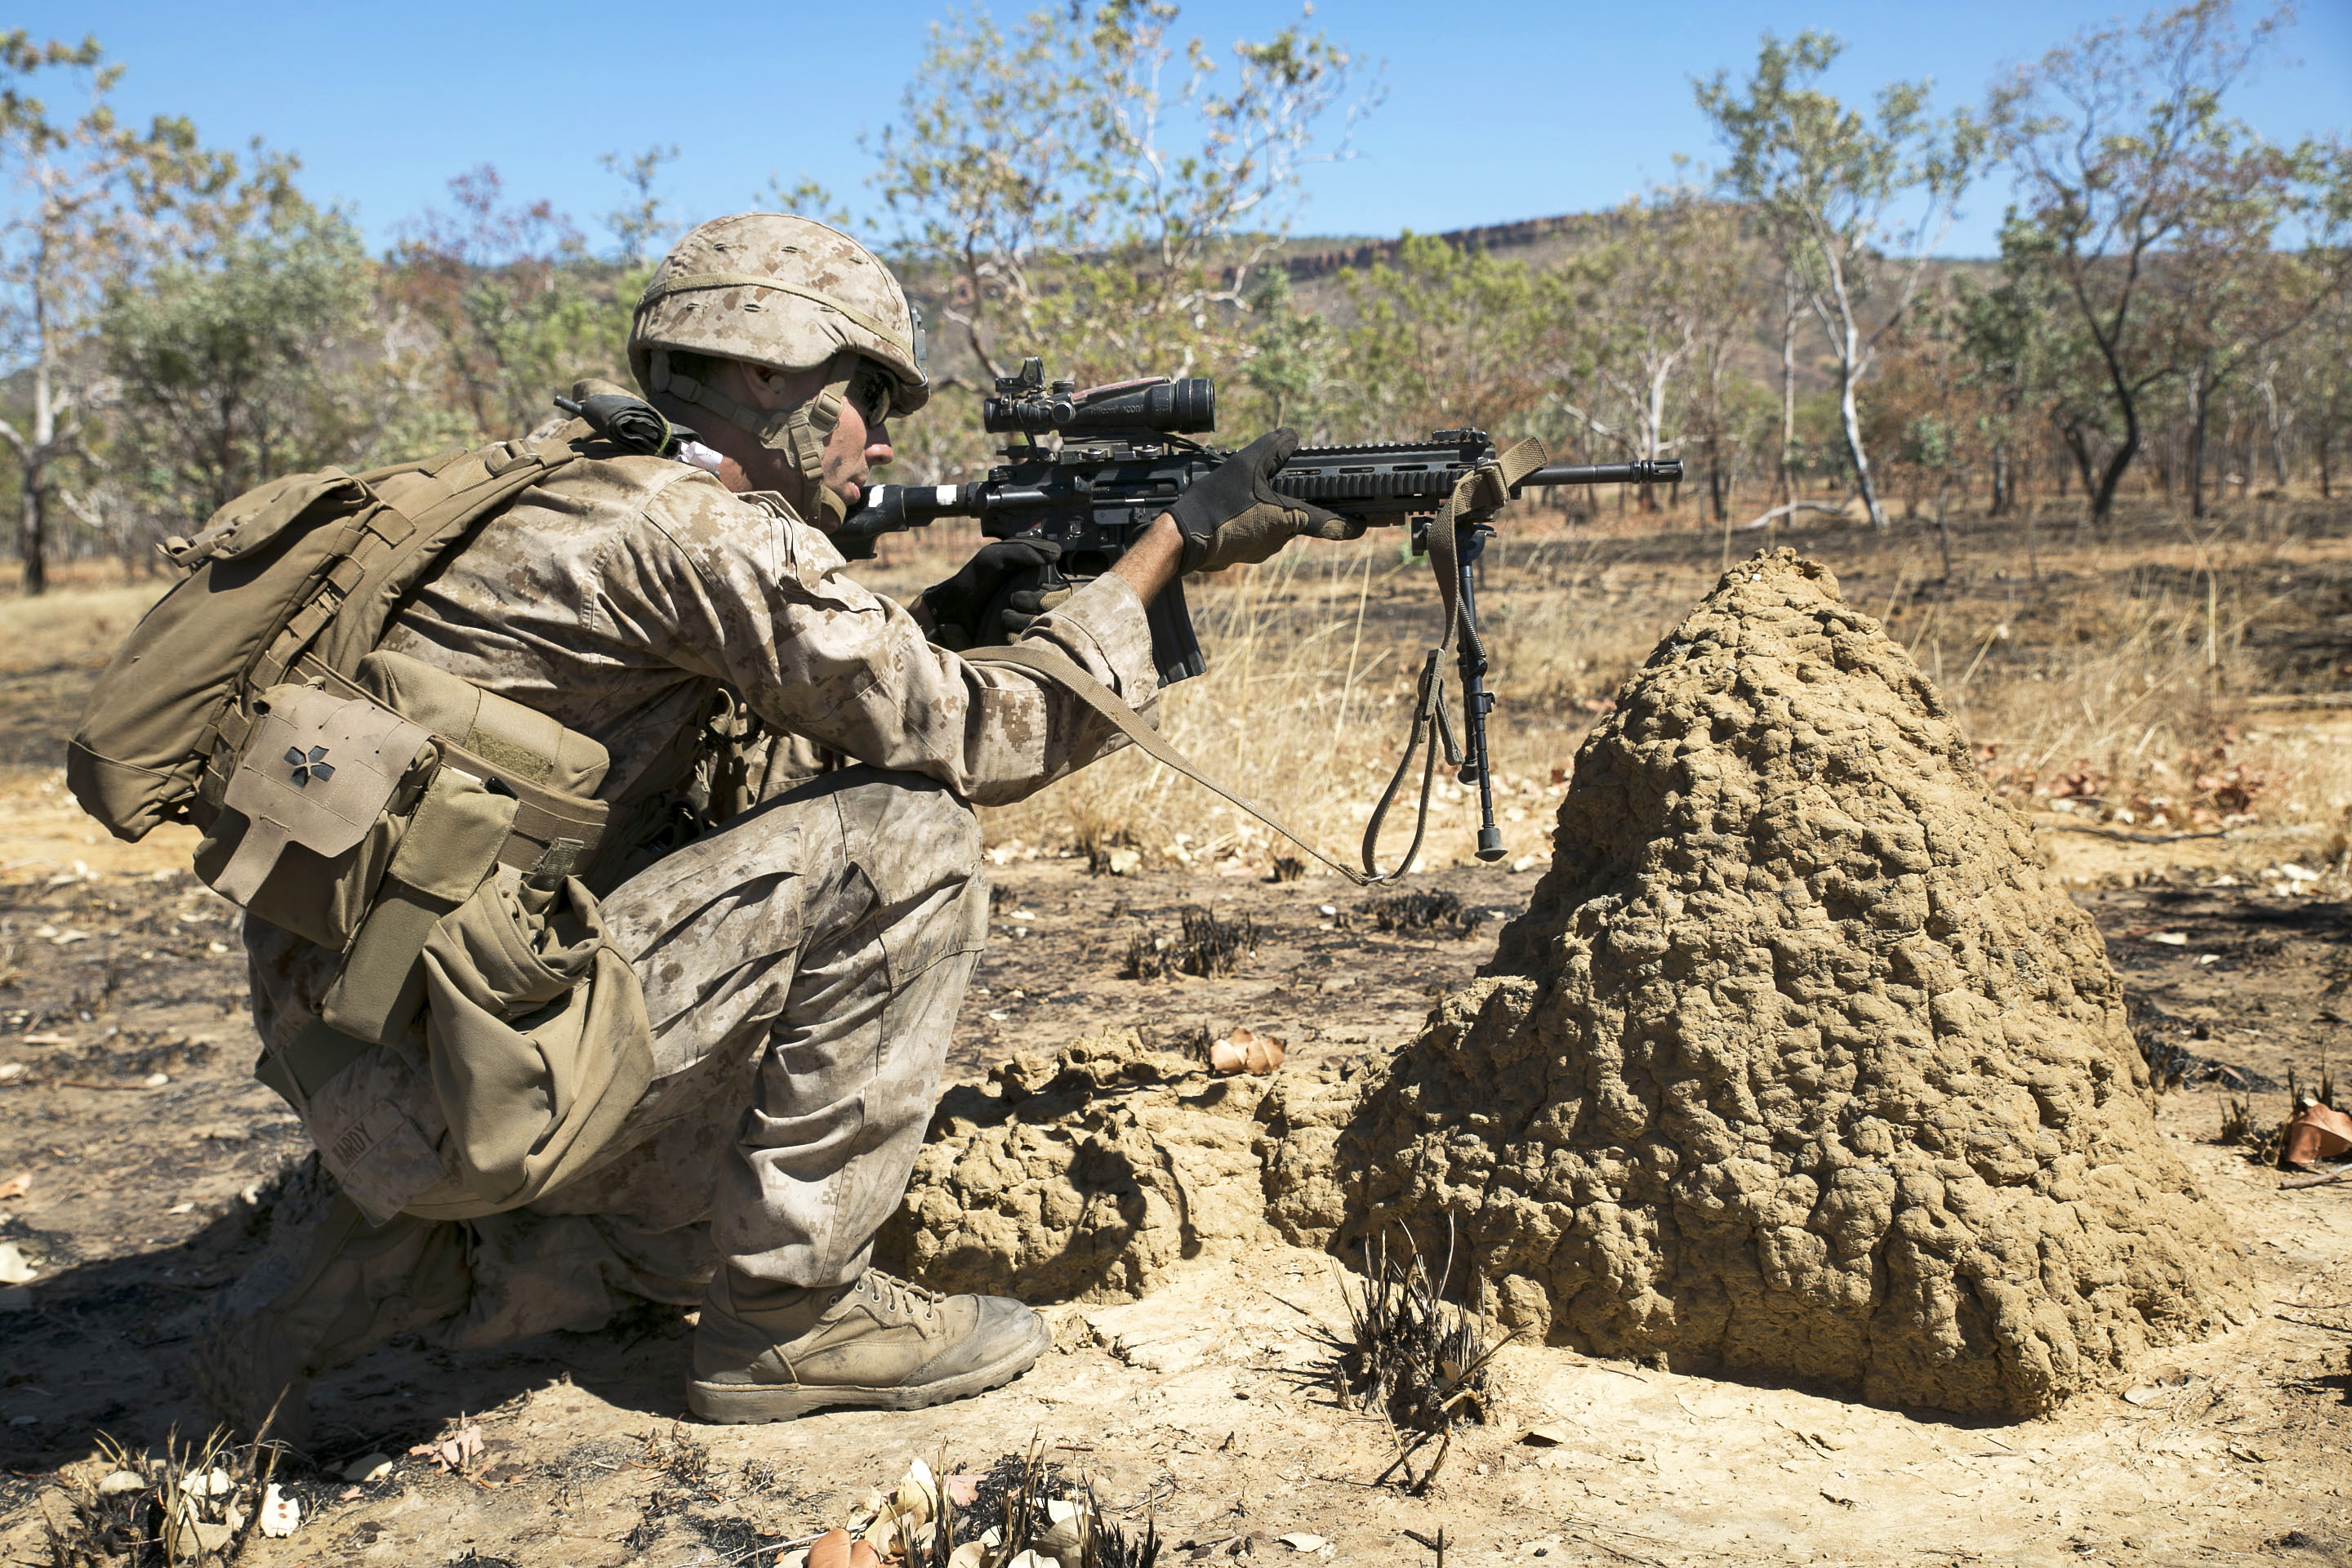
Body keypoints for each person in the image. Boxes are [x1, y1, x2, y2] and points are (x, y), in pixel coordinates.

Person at [189, 212, 1350, 1436]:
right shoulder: (694, 529)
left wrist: (944, 619)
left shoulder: (562, 481)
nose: (884, 437)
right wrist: (1166, 555)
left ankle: (427, 1257)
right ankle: (795, 1322)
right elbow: (977, 740)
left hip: (362, 1060)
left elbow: (785, 731)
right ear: (765, 370)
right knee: (908, 841)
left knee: (797, 788)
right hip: (451, 1088)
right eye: (865, 392)